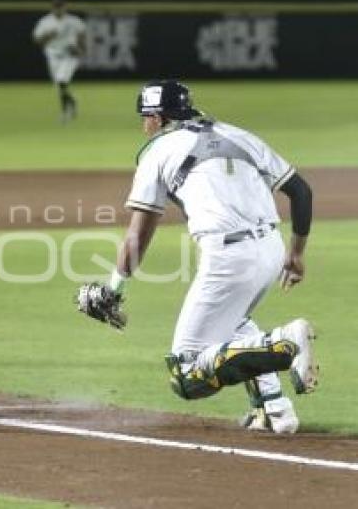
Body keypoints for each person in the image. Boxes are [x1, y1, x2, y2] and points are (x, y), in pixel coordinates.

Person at [78, 80, 318, 434]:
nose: (143, 126)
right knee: (233, 322)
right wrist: (295, 254)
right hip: (272, 248)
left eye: (145, 118)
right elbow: (301, 192)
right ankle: (275, 410)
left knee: (187, 373)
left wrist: (114, 287)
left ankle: (286, 344)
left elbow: (137, 235)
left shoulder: (157, 151)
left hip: (230, 256)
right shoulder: (239, 134)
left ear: (158, 118)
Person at [32, 0, 88, 123]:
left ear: (65, 7)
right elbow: (36, 39)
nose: (59, 9)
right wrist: (48, 36)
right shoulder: (46, 22)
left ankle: (64, 113)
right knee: (59, 86)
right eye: (56, 7)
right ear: (53, 8)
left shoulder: (73, 21)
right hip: (52, 54)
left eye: (61, 7)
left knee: (62, 81)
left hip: (69, 54)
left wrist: (82, 49)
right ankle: (72, 101)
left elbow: (82, 33)